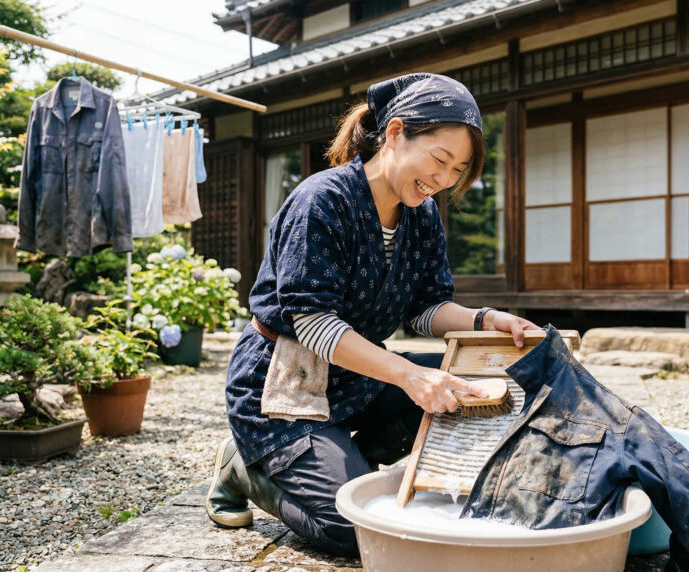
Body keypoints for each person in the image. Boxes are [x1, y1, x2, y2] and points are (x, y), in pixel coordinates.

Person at [205, 73, 539, 556]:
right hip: (283, 384)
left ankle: (335, 461)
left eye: (457, 170)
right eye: (439, 161)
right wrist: (409, 375)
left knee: (470, 394)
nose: (443, 181)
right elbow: (312, 322)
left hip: (355, 374)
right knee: (357, 529)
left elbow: (425, 308)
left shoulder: (422, 215)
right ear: (396, 133)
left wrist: (487, 321)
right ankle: (245, 466)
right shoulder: (322, 199)